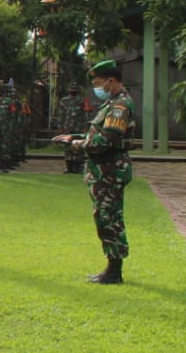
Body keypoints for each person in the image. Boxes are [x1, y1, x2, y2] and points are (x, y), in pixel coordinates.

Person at [54, 60, 135, 284]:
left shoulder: (119, 106)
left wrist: (76, 145)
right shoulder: (111, 103)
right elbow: (97, 135)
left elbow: (105, 141)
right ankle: (112, 268)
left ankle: (114, 270)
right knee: (105, 216)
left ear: (111, 80)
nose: (97, 87)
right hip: (103, 171)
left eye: (99, 83)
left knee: (109, 218)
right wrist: (76, 137)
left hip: (110, 170)